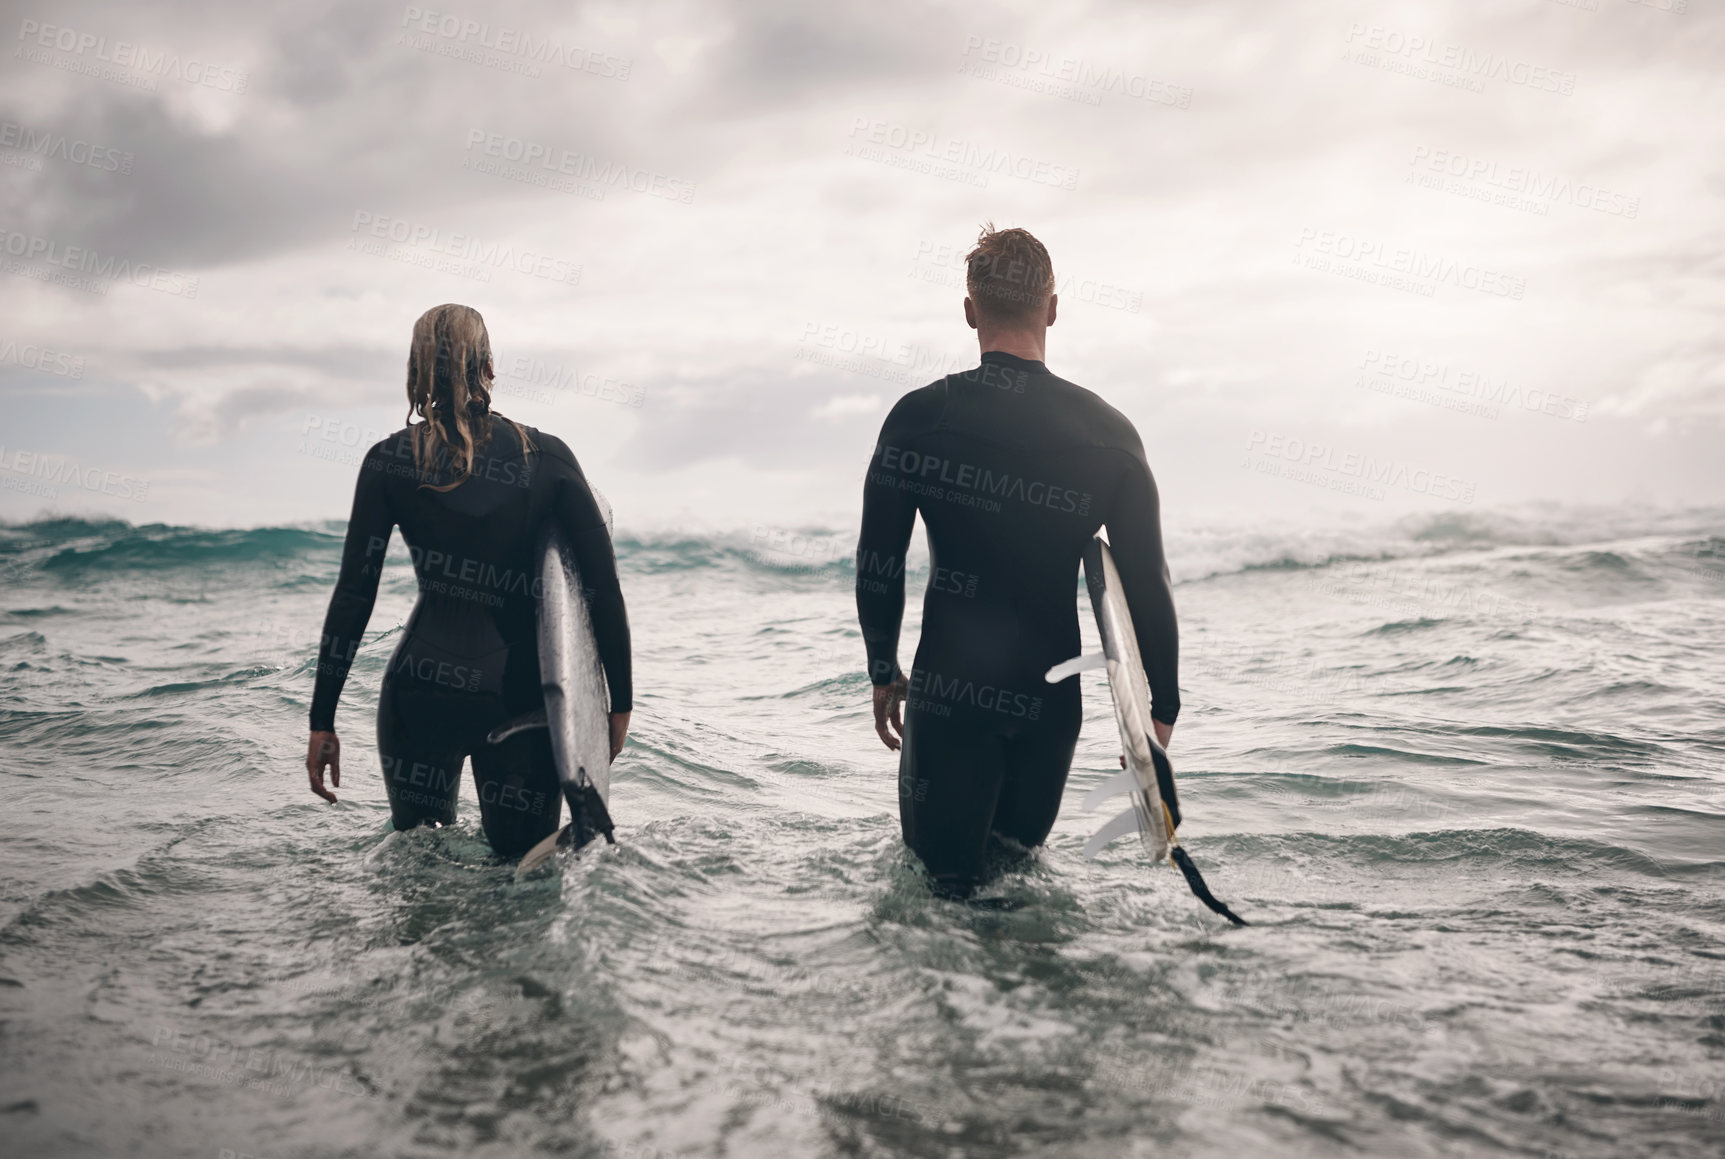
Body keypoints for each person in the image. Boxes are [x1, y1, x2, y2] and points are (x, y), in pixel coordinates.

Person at [855, 225, 1179, 898]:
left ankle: (958, 1005)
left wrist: (883, 668)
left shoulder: (920, 419)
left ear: (970, 310)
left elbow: (878, 560)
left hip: (949, 694)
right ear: (1052, 308)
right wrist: (1158, 713)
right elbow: (1145, 580)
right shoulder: (1109, 434)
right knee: (1015, 887)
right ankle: (1023, 1008)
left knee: (942, 893)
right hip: (1049, 702)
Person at [304, 303, 631, 858]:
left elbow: (355, 595)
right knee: (519, 875)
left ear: (416, 371)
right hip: (520, 700)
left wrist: (322, 719)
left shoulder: (388, 461)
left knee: (420, 870)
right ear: (490, 367)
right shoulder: (546, 458)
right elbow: (601, 587)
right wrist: (615, 706)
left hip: (417, 696)